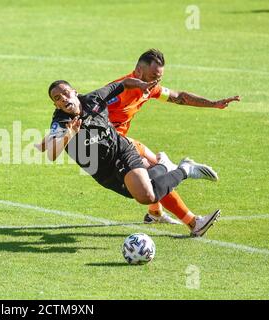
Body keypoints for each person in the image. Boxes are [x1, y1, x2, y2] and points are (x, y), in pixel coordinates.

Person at [38, 49, 240, 231]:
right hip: (107, 141)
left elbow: (179, 97)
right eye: (153, 76)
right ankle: (171, 209)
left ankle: (171, 215)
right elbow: (80, 113)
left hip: (116, 144)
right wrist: (53, 137)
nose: (156, 82)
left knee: (151, 177)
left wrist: (213, 104)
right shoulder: (116, 95)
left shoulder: (149, 88)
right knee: (153, 170)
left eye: (159, 78)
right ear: (139, 71)